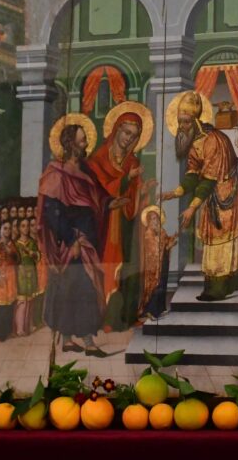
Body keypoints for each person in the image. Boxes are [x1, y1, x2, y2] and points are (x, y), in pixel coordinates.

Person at [37, 122, 126, 357]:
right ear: (70, 144)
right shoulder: (56, 173)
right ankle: (82, 341)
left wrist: (110, 203)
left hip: (88, 239)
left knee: (86, 288)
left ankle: (77, 340)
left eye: (85, 138)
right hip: (71, 242)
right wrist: (71, 240)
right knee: (76, 288)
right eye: (82, 139)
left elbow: (98, 195)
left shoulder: (85, 170)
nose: (86, 143)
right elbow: (51, 212)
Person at [161, 92, 238, 301]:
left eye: (185, 122)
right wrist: (176, 192)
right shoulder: (194, 142)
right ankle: (223, 283)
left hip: (228, 191)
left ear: (195, 120)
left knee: (222, 238)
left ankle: (220, 287)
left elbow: (209, 179)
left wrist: (191, 207)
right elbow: (193, 174)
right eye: (179, 122)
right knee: (215, 238)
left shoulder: (212, 140)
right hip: (214, 193)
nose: (182, 126)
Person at [86, 106, 156, 329]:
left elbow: (132, 197)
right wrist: (126, 179)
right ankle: (107, 319)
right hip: (105, 226)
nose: (129, 139)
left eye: (134, 136)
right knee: (108, 268)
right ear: (116, 129)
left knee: (130, 267)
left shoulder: (132, 162)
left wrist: (142, 191)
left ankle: (127, 317)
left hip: (127, 223)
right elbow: (98, 193)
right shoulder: (97, 160)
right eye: (126, 132)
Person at [138, 206, 177, 319]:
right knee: (155, 286)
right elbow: (155, 251)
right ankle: (150, 311)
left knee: (163, 284)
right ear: (149, 221)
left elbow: (165, 241)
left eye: (157, 218)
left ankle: (160, 309)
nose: (156, 221)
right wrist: (167, 246)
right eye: (153, 219)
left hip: (162, 262)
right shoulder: (148, 234)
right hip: (154, 267)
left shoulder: (161, 231)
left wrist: (171, 239)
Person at [14, 218, 41, 336]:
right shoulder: (15, 244)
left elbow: (38, 257)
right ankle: (20, 329)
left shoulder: (32, 242)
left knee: (30, 301)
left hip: (31, 274)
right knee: (22, 302)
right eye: (23, 226)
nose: (26, 228)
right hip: (20, 275)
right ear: (19, 228)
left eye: (27, 226)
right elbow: (13, 260)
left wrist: (33, 253)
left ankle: (27, 326)